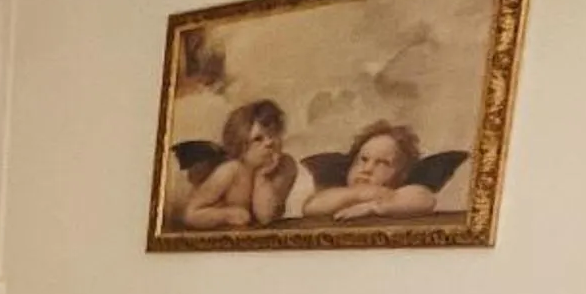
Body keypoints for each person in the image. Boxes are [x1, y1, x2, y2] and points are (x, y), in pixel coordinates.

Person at [181, 98, 296, 230]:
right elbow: (190, 214)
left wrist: (262, 176)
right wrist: (225, 215)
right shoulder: (230, 171)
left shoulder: (285, 166)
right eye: (258, 139)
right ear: (240, 147)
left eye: (274, 134)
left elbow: (266, 217)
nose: (269, 142)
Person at [301, 120, 437, 221]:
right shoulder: (336, 194)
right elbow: (311, 207)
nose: (367, 169)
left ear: (402, 175)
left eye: (383, 163)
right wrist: (360, 194)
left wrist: (373, 208)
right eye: (363, 160)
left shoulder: (398, 195)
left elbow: (426, 199)